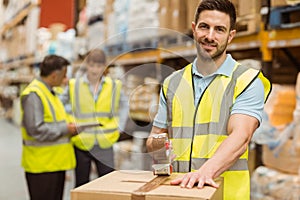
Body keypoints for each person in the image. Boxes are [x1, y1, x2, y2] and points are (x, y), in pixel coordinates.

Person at [146, 0, 271, 199]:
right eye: (204, 27)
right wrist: (160, 154)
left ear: (230, 36)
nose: (210, 36)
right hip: (180, 193)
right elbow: (156, 137)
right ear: (194, 29)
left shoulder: (246, 81)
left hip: (224, 194)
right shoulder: (173, 83)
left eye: (219, 29)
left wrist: (204, 172)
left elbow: (241, 137)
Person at [60, 48, 129, 187]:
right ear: (86, 65)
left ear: (104, 66)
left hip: (105, 141)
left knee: (108, 184)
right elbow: (60, 104)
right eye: (91, 65)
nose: (94, 70)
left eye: (98, 66)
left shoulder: (113, 85)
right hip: (82, 141)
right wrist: (68, 120)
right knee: (81, 183)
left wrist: (120, 126)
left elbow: (124, 105)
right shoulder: (75, 84)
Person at [20, 55, 80, 200]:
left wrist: (71, 126)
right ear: (54, 76)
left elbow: (56, 119)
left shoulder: (51, 92)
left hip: (55, 164)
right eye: (64, 75)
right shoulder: (34, 94)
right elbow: (35, 130)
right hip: (42, 166)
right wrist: (66, 129)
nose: (65, 79)